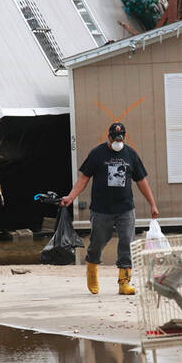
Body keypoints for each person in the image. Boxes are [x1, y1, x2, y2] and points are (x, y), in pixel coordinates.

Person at [61, 122, 159, 295]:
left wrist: (152, 204)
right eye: (114, 137)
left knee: (126, 243)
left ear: (125, 137)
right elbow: (83, 179)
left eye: (121, 137)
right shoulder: (97, 154)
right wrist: (71, 197)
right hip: (101, 209)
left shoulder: (130, 154)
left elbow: (141, 181)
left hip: (125, 208)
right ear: (109, 137)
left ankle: (124, 282)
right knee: (98, 242)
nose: (118, 141)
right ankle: (92, 269)